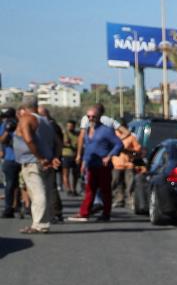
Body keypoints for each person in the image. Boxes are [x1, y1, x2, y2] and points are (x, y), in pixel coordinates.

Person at [15, 96, 60, 234]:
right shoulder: (45, 121)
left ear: (23, 107)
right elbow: (58, 142)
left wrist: (39, 157)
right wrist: (54, 157)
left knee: (38, 193)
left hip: (33, 162)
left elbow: (28, 139)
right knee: (43, 192)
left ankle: (39, 224)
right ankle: (41, 223)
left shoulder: (26, 118)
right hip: (46, 161)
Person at [69, 104, 120, 223]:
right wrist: (83, 163)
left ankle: (106, 214)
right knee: (89, 190)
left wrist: (109, 156)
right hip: (91, 165)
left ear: (99, 117)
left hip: (103, 166)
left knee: (105, 191)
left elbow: (119, 144)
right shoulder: (87, 131)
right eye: (88, 116)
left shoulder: (106, 130)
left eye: (93, 116)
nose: (91, 119)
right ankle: (84, 213)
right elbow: (88, 149)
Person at [109, 123, 141, 209]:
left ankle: (130, 201)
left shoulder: (131, 137)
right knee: (116, 183)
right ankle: (119, 200)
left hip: (128, 165)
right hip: (116, 164)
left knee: (130, 184)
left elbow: (137, 150)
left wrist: (129, 151)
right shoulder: (113, 136)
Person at [0, 108, 19, 218]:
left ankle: (13, 206)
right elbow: (2, 140)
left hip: (16, 158)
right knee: (13, 184)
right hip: (12, 157)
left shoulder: (18, 123)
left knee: (15, 184)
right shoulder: (6, 125)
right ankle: (11, 206)